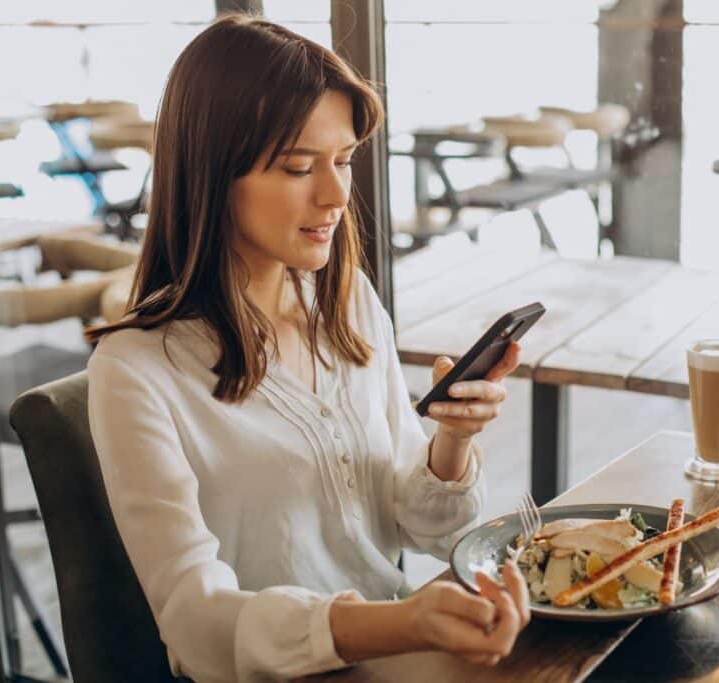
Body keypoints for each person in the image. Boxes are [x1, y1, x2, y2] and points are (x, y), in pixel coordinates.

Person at [86, 15, 529, 683]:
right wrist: (400, 622)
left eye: (345, 160)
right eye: (299, 167)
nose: (336, 195)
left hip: (396, 658)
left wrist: (452, 440)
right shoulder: (135, 372)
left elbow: (418, 521)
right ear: (213, 172)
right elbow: (195, 624)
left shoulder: (345, 305)